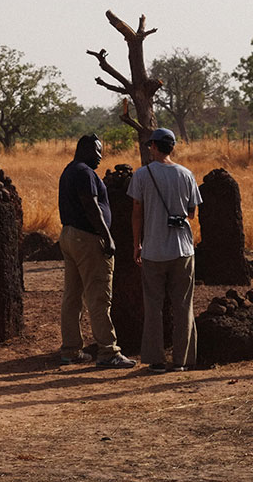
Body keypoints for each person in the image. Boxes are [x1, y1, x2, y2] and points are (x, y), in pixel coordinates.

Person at [58, 134, 136, 369]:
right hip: (88, 239)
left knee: (72, 296)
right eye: (98, 150)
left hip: (69, 236)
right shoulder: (84, 172)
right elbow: (91, 205)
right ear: (85, 149)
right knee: (99, 296)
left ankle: (71, 350)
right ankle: (108, 352)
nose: (101, 156)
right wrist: (107, 236)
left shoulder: (70, 170)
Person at [127, 128, 202, 373]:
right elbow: (192, 213)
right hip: (182, 249)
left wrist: (137, 243)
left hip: (154, 250)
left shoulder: (142, 175)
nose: (149, 150)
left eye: (151, 146)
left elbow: (137, 211)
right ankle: (182, 360)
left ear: (156, 147)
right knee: (183, 306)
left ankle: (156, 360)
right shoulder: (186, 174)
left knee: (154, 306)